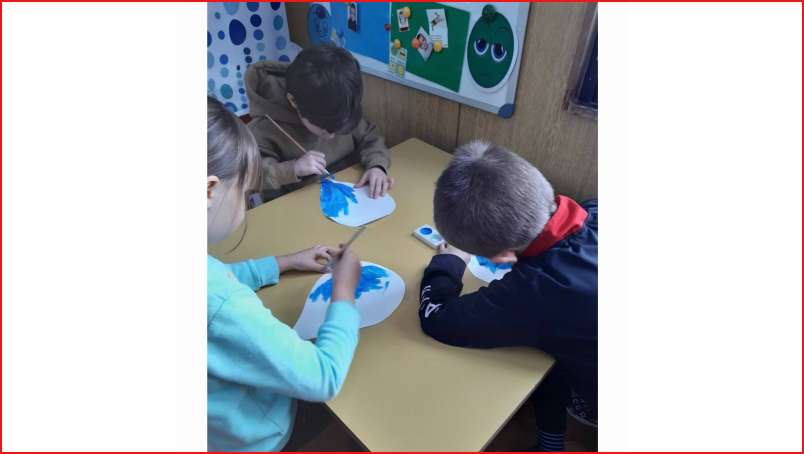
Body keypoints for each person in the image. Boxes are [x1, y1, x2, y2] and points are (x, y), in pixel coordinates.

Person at [418, 140, 598, 452]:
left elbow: (438, 319)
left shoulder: (534, 291)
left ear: (501, 257)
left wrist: (450, 261)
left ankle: (552, 444)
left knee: (546, 360)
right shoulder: (595, 209)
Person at [207, 96, 363, 451]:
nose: (245, 204)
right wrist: (344, 290)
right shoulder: (223, 305)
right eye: (245, 193)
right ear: (209, 190)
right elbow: (323, 377)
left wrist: (284, 262)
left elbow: (219, 274)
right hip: (255, 436)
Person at [245, 45, 394, 200]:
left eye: (340, 129)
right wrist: (293, 168)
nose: (332, 136)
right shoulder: (264, 126)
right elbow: (253, 177)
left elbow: (370, 136)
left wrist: (377, 166)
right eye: (325, 130)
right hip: (300, 200)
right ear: (293, 101)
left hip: (352, 186)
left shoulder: (340, 105)